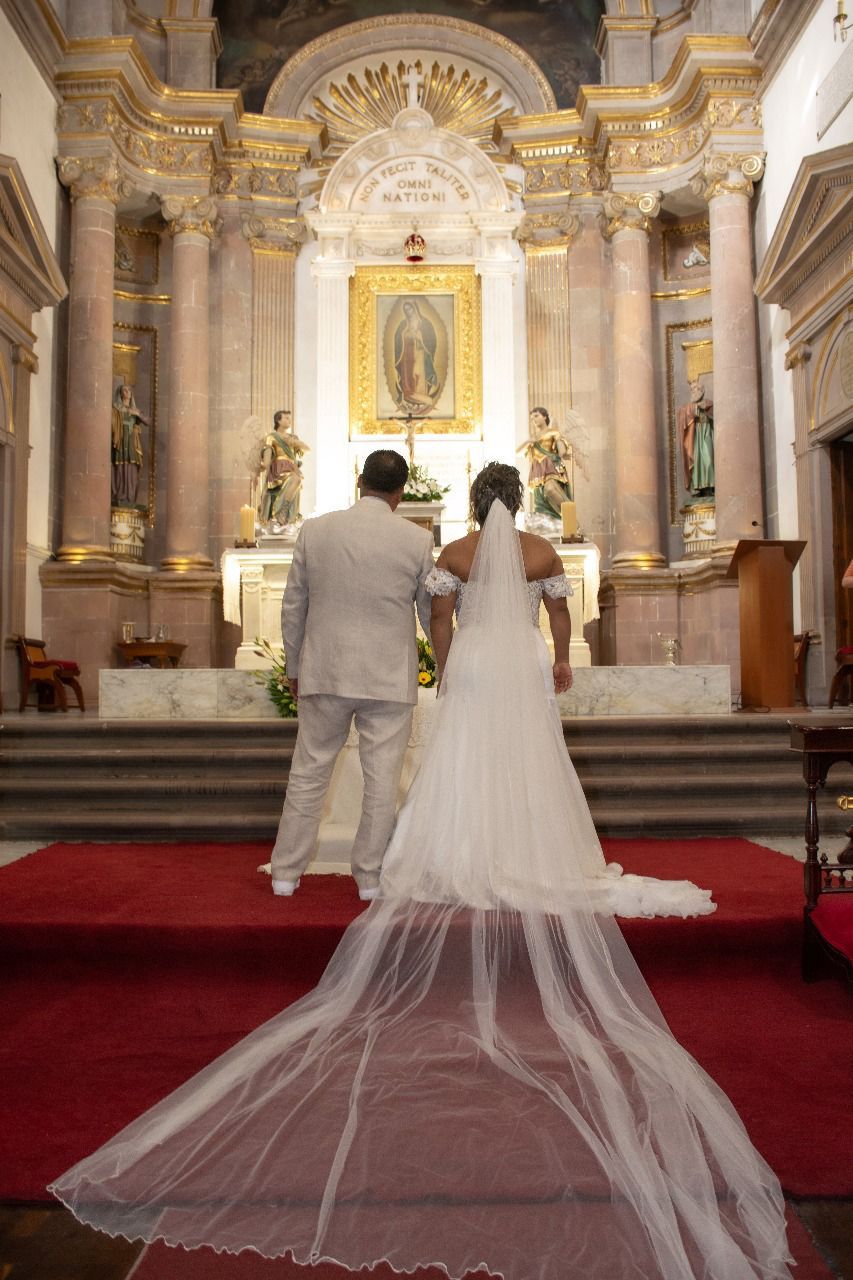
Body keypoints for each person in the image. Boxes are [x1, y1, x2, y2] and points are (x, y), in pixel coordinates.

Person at [50, 463, 792, 1279]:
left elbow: (423, 614)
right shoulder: (506, 549)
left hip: (426, 666)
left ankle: (305, 871)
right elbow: (553, 614)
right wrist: (551, 659)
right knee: (457, 769)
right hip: (480, 666)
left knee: (343, 770)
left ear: (469, 501)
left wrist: (439, 658)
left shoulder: (421, 547)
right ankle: (391, 869)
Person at [269, 448, 434, 901]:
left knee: (309, 772)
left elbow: (294, 605)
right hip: (388, 677)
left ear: (360, 481)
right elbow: (429, 613)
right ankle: (369, 877)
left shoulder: (315, 530)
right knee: (382, 782)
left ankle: (285, 873)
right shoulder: (417, 540)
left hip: (326, 669)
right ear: (401, 492)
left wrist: (295, 666)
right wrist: (447, 662)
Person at [517, 406, 573, 519]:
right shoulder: (533, 438)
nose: (534, 420)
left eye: (536, 416)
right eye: (532, 418)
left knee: (550, 489)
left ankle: (570, 518)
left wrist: (561, 447)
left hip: (550, 466)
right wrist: (528, 441)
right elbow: (518, 452)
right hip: (537, 469)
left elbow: (561, 451)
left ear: (545, 417)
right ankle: (555, 518)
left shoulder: (553, 432)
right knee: (541, 499)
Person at [259, 409, 309, 527]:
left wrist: (295, 443)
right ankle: (282, 513)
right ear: (278, 420)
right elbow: (267, 457)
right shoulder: (272, 437)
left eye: (289, 418)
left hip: (291, 468)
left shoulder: (293, 438)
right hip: (278, 470)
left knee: (296, 480)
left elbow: (307, 449)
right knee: (296, 479)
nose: (289, 420)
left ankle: (285, 515)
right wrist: (263, 466)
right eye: (286, 418)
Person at [393, 298, 439, 412]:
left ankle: (424, 399)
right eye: (406, 310)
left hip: (419, 355)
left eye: (410, 309)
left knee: (419, 377)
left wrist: (418, 337)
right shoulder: (404, 325)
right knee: (409, 381)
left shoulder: (423, 324)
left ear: (415, 309)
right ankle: (414, 400)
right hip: (407, 357)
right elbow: (399, 341)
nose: (409, 312)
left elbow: (430, 341)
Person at [110, 384, 147, 508]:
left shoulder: (135, 410)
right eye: (124, 390)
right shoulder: (115, 408)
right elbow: (110, 423)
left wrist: (137, 414)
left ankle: (130, 498)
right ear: (120, 394)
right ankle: (119, 495)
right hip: (120, 441)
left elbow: (149, 421)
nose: (127, 392)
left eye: (129, 390)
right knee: (120, 468)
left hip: (132, 443)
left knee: (132, 469)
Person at [678, 377, 715, 500]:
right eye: (691, 389)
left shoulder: (709, 403)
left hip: (706, 434)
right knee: (696, 461)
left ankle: (710, 486)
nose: (693, 391)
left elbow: (716, 415)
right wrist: (694, 409)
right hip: (694, 437)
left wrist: (706, 408)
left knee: (708, 459)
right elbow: (683, 414)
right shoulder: (688, 407)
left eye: (695, 388)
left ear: (701, 390)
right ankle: (698, 488)